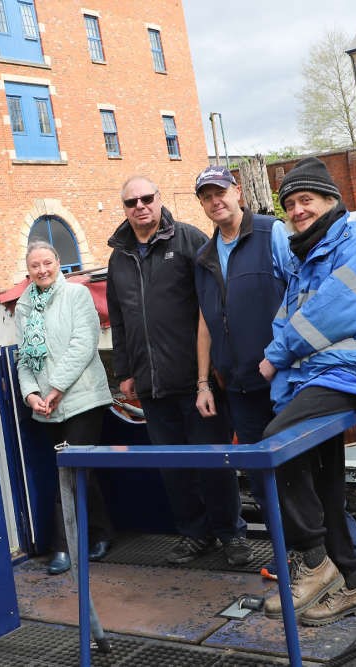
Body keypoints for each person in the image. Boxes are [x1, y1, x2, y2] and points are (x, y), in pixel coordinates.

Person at [191, 166, 356, 578]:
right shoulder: (204, 256)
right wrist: (203, 380)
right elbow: (204, 321)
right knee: (263, 476)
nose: (216, 202)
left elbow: (304, 291)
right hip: (237, 385)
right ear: (201, 204)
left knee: (307, 471)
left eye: (221, 192)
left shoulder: (272, 234)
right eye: (207, 197)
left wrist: (292, 357)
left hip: (283, 379)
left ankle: (344, 556)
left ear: (238, 192)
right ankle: (293, 557)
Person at [259, 157, 356, 626]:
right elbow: (288, 319)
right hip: (321, 377)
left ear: (330, 203)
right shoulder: (307, 258)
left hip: (352, 373)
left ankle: (316, 561)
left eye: (307, 200)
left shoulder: (355, 244)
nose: (297, 210)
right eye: (290, 204)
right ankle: (354, 587)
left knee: (276, 445)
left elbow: (334, 314)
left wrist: (276, 356)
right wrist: (285, 378)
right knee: (325, 482)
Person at [106, 175, 252, 567]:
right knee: (174, 468)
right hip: (151, 384)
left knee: (213, 463)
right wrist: (125, 370)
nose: (140, 206)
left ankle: (231, 534)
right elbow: (118, 320)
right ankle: (194, 534)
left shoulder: (187, 240)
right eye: (131, 201)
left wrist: (212, 372)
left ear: (158, 200)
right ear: (124, 208)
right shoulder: (118, 257)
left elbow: (211, 306)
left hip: (195, 379)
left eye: (146, 198)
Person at [15, 241, 114, 575]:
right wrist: (31, 394)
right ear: (28, 270)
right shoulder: (24, 306)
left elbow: (83, 345)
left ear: (59, 263)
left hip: (82, 397)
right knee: (80, 469)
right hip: (47, 405)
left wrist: (55, 388)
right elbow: (23, 357)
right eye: (35, 266)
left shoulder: (76, 295)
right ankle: (102, 532)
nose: (42, 270)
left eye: (48, 263)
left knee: (69, 470)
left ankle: (63, 546)